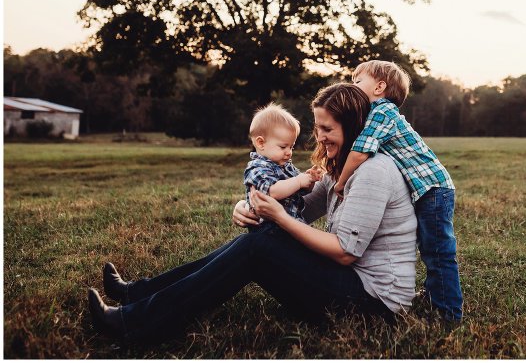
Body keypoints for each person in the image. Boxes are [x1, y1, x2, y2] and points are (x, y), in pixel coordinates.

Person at [88, 83, 417, 342]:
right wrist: (246, 206)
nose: (319, 137)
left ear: (354, 126)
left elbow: (345, 252)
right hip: (350, 284)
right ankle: (136, 293)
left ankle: (132, 324)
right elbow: (304, 203)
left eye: (327, 129)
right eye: (317, 127)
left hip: (374, 306)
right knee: (264, 237)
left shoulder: (373, 172)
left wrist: (280, 218)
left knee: (259, 246)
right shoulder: (340, 167)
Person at [332, 60, 463, 321]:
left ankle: (448, 312)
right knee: (428, 245)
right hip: (426, 189)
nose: (352, 85)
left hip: (433, 189)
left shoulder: (382, 111)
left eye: (357, 81)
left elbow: (360, 150)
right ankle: (433, 292)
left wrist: (341, 182)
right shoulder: (376, 113)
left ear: (380, 87)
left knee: (438, 250)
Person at [242, 102, 323, 223]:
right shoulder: (257, 168)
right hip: (268, 228)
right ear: (261, 143)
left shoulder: (285, 166)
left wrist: (309, 180)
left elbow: (301, 190)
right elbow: (272, 192)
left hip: (289, 223)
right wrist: (298, 181)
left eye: (291, 147)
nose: (289, 152)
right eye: (283, 147)